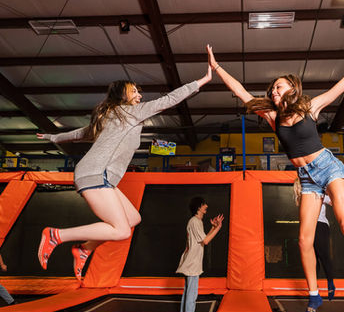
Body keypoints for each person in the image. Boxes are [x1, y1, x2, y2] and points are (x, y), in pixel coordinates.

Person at [207, 28, 344, 312]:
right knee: (303, 240)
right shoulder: (272, 117)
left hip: (329, 167)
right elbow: (241, 92)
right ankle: (314, 294)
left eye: (279, 87)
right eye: (272, 89)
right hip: (306, 178)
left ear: (292, 89)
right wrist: (217, 68)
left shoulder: (311, 107)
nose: (274, 91)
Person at [37, 67, 213, 280]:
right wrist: (202, 81)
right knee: (122, 231)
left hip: (102, 177)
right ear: (122, 95)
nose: (139, 96)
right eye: (134, 92)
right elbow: (169, 99)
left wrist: (54, 138)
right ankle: (56, 235)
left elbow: (82, 133)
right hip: (95, 173)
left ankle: (84, 249)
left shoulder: (111, 115)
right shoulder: (129, 112)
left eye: (139, 92)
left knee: (133, 218)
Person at [294, 178, 344, 301]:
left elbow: (333, 200)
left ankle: (330, 283)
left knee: (323, 255)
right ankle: (314, 289)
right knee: (313, 257)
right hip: (308, 227)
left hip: (320, 225)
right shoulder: (302, 197)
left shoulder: (317, 194)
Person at [176, 197, 223, 312]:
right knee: (191, 295)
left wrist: (213, 227)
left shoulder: (196, 222)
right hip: (192, 263)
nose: (206, 206)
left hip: (191, 261)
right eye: (204, 205)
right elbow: (206, 241)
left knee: (187, 293)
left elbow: (202, 240)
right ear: (199, 207)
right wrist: (218, 228)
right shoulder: (195, 221)